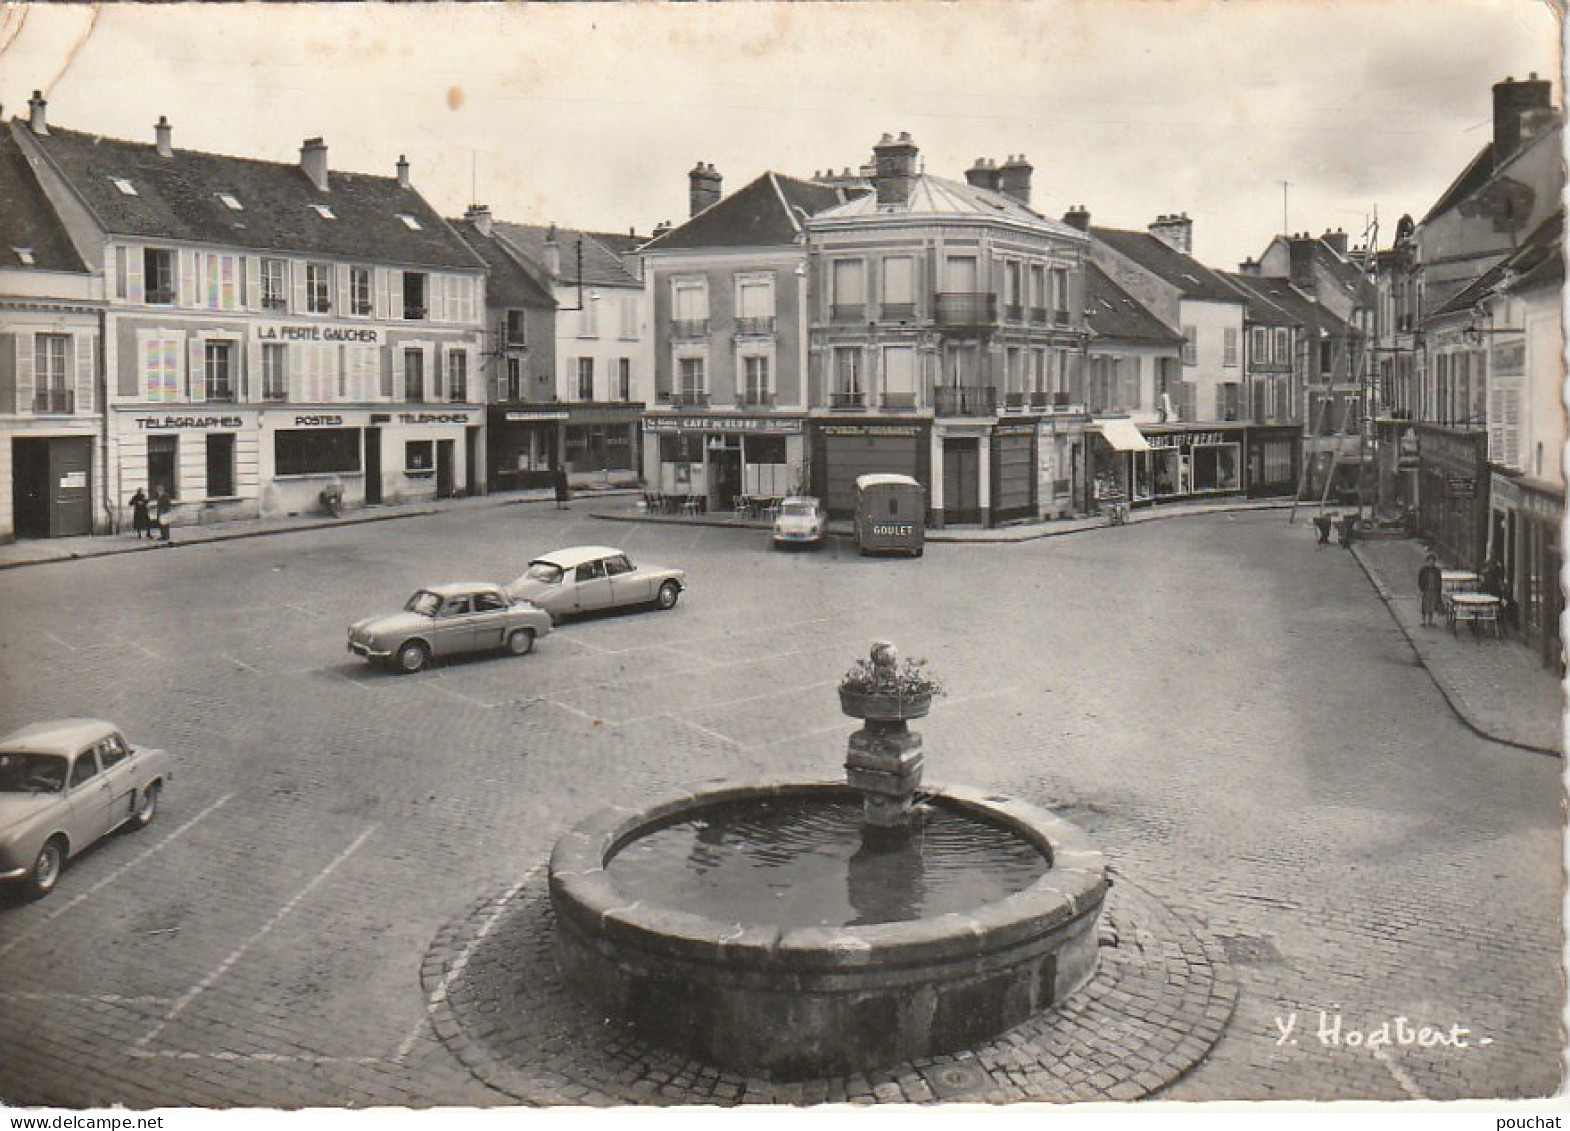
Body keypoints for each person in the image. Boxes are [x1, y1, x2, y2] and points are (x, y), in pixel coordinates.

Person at [1417, 553, 1443, 627]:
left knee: (1432, 605)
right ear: (1427, 561)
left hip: (1434, 590)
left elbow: (1439, 580)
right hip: (1426, 590)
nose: (1431, 563)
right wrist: (1421, 589)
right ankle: (1423, 620)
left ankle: (1430, 620)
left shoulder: (1437, 571)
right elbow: (1420, 580)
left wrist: (1439, 591)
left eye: (1432, 562)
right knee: (1425, 605)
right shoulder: (1423, 570)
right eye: (1430, 561)